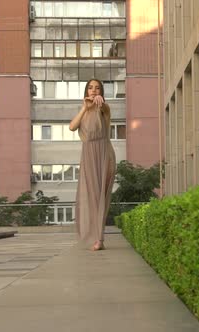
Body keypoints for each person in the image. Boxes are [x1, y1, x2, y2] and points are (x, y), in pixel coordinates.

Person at [69, 79, 116, 251]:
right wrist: (84, 108)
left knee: (101, 197)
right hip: (88, 155)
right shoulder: (85, 110)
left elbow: (103, 108)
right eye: (90, 88)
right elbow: (72, 127)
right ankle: (96, 238)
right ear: (86, 91)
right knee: (91, 197)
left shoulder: (105, 109)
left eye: (97, 88)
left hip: (104, 153)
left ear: (101, 92)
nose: (93, 91)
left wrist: (99, 104)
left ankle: (100, 239)